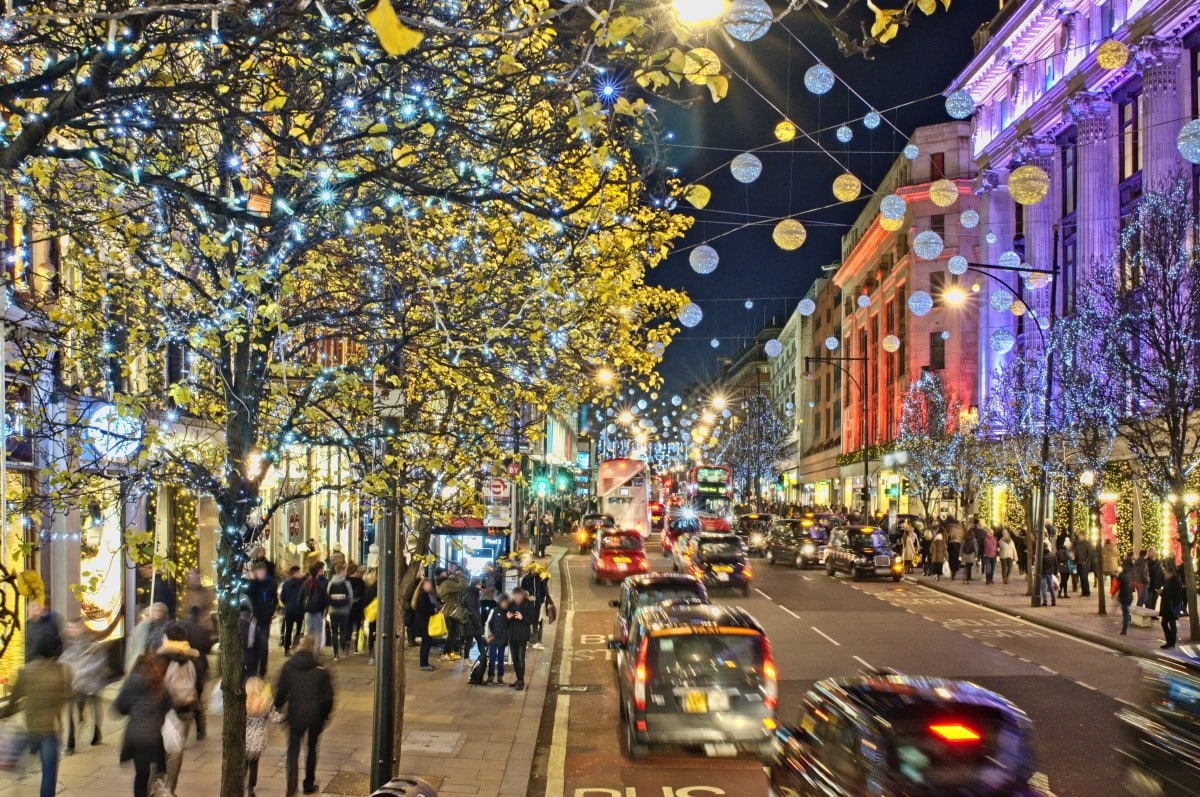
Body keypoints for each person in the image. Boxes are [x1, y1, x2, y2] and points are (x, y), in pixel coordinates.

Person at [1, 636, 71, 797]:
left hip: (31, 727)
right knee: (49, 772)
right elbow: (66, 696)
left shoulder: (28, 670)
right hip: (51, 729)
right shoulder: (61, 671)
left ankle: (17, 766)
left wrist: (8, 713)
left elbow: (14, 697)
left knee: (26, 752)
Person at [274, 634, 334, 797]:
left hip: (295, 715)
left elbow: (281, 692)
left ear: (297, 647)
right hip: (315, 716)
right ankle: (308, 783)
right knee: (312, 749)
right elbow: (328, 696)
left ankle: (291, 787)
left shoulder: (288, 667)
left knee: (293, 751)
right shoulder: (321, 669)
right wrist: (325, 715)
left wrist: (278, 707)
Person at [115, 653, 171, 797]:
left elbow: (119, 707)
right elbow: (169, 704)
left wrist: (132, 710)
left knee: (141, 775)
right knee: (156, 772)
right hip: (153, 737)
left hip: (135, 736)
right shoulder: (159, 682)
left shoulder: (131, 681)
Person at [159, 628, 200, 796]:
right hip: (186, 708)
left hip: (166, 711)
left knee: (161, 751)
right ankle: (170, 789)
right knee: (177, 751)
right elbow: (200, 683)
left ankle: (157, 788)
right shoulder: (192, 658)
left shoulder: (162, 658)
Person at [60, 619, 107, 752]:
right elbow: (64, 660)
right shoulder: (67, 643)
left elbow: (97, 663)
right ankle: (71, 741)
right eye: (69, 628)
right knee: (70, 712)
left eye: (74, 628)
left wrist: (79, 674)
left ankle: (96, 732)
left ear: (82, 628)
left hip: (90, 684)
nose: (71, 631)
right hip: (73, 686)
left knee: (94, 707)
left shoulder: (92, 643)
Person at [177, 604, 214, 739]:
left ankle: (181, 731)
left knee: (181, 697)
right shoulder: (203, 631)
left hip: (181, 666)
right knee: (197, 699)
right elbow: (208, 648)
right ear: (198, 616)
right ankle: (200, 729)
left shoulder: (179, 626)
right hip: (199, 666)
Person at [245, 560, 278, 677]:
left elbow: (275, 600)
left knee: (263, 645)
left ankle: (262, 669)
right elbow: (246, 598)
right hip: (253, 619)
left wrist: (270, 611)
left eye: (262, 571)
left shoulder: (271, 584)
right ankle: (253, 668)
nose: (261, 573)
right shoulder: (252, 585)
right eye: (258, 571)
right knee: (252, 644)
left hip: (265, 619)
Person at [244, 676, 271, 797]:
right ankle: (251, 788)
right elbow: (275, 717)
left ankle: (241, 783)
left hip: (245, 739)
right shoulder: (265, 702)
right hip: (258, 740)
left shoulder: (244, 702)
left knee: (244, 763)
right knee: (254, 765)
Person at [126, 602, 170, 673]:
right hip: (142, 663)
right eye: (156, 611)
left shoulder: (163, 627)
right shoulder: (144, 626)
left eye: (160, 611)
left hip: (151, 663)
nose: (158, 613)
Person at [506, 588, 536, 691]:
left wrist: (522, 617)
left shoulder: (528, 604)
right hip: (512, 635)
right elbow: (505, 616)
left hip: (522, 636)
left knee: (520, 658)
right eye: (514, 596)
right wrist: (507, 617)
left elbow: (532, 619)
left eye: (517, 596)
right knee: (515, 659)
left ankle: (521, 681)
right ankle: (518, 679)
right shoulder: (511, 604)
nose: (516, 598)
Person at [436, 567, 468, 661]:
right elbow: (462, 586)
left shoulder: (441, 583)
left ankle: (450, 652)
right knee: (452, 634)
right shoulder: (446, 584)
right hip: (451, 612)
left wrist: (453, 577)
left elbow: (451, 583)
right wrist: (460, 574)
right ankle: (445, 652)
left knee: (454, 633)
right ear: (440, 574)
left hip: (449, 610)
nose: (446, 573)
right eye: (444, 572)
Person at [412, 577, 440, 671]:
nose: (429, 586)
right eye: (427, 585)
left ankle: (425, 662)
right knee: (426, 643)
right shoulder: (422, 595)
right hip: (424, 623)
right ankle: (423, 664)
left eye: (430, 585)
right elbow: (424, 610)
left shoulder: (427, 594)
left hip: (426, 622)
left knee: (427, 643)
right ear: (422, 586)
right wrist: (434, 610)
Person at [300, 562, 330, 651]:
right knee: (318, 634)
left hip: (308, 612)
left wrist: (303, 609)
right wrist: (324, 609)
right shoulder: (321, 584)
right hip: (318, 612)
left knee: (308, 632)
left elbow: (300, 598)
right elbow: (326, 599)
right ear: (318, 572)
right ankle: (315, 653)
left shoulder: (306, 583)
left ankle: (307, 651)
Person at [520, 565, 551, 651]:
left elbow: (543, 590)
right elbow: (522, 590)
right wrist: (527, 597)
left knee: (536, 622)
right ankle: (526, 640)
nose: (534, 571)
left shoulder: (539, 579)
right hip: (527, 604)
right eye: (532, 569)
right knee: (526, 622)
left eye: (535, 569)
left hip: (537, 604)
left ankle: (535, 641)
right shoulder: (526, 579)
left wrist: (540, 600)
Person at [327, 562, 352, 661]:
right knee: (343, 631)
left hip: (333, 610)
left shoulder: (330, 583)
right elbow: (350, 597)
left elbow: (327, 596)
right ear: (341, 571)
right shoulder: (347, 583)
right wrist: (348, 607)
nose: (346, 572)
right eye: (345, 570)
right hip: (344, 610)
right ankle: (342, 647)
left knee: (334, 632)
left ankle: (335, 654)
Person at [485, 593, 511, 685]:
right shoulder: (494, 611)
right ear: (500, 602)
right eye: (503, 602)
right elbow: (488, 623)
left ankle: (500, 677)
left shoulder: (508, 612)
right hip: (493, 639)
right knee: (492, 658)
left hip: (502, 640)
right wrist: (488, 636)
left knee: (501, 659)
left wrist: (508, 619)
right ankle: (490, 677)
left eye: (506, 602)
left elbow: (508, 626)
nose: (504, 604)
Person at [279, 565, 306, 654]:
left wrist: (287, 604)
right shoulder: (302, 583)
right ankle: (295, 645)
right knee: (298, 629)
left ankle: (287, 648)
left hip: (289, 609)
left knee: (288, 629)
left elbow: (282, 597)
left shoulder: (286, 584)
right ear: (296, 573)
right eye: (299, 572)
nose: (300, 573)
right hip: (299, 609)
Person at [460, 578, 487, 663]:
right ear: (475, 584)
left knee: (471, 640)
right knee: (475, 640)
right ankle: (482, 658)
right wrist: (477, 623)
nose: (480, 586)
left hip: (472, 621)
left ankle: (468, 658)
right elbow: (472, 609)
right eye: (479, 584)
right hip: (471, 622)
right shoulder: (472, 594)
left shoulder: (473, 592)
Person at [1160, 564, 1185, 649]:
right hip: (1170, 607)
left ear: (1170, 573)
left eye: (1166, 573)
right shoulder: (1170, 581)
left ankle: (1171, 642)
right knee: (1166, 623)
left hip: (1171, 607)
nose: (1165, 575)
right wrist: (1162, 592)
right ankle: (1170, 641)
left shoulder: (1174, 582)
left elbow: (1172, 595)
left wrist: (1162, 593)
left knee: (1171, 624)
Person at [347, 563, 367, 655]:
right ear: (354, 571)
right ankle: (357, 647)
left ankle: (346, 646)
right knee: (359, 628)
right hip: (358, 608)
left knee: (348, 627)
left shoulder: (346, 581)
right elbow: (363, 597)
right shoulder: (361, 583)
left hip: (348, 608)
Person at [1117, 555, 1136, 635]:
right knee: (1126, 610)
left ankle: (1124, 629)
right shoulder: (1133, 575)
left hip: (1123, 596)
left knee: (1125, 612)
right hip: (1130, 596)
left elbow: (1117, 584)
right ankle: (1128, 618)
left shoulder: (1121, 575)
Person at [1074, 531, 1094, 598]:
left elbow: (1090, 554)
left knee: (1085, 577)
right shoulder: (1077, 543)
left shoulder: (1087, 543)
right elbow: (1075, 551)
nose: (1079, 537)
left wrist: (1086, 561)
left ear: (1083, 536)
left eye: (1080, 535)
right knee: (1081, 578)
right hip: (1079, 562)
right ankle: (1083, 592)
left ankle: (1087, 592)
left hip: (1084, 563)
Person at [1040, 542, 1058, 607]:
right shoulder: (1053, 555)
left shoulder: (1041, 556)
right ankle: (1054, 601)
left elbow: (1039, 566)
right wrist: (1055, 573)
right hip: (1050, 573)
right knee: (1051, 588)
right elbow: (1056, 565)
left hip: (1043, 573)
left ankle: (1045, 602)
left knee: (1043, 588)